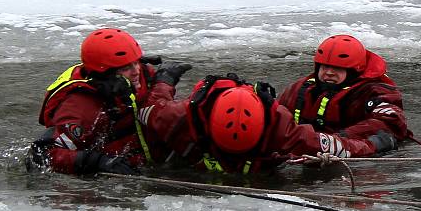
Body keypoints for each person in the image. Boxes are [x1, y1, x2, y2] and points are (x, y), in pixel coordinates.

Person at [137, 73, 397, 174]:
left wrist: (372, 144)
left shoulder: (281, 127)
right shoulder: (180, 116)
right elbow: (148, 111)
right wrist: (163, 82)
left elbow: (338, 147)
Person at [27, 27, 191, 175]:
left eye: (136, 63)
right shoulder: (82, 105)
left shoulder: (142, 75)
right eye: (126, 68)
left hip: (158, 160)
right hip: (123, 176)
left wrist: (163, 84)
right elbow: (43, 156)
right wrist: (98, 162)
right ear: (105, 73)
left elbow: (153, 112)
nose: (136, 71)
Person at [278, 34, 408, 143]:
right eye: (324, 67)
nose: (329, 73)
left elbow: (391, 122)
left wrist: (336, 140)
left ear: (353, 71)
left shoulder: (374, 92)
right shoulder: (300, 88)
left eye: (337, 68)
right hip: (308, 148)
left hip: (353, 152)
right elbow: (276, 115)